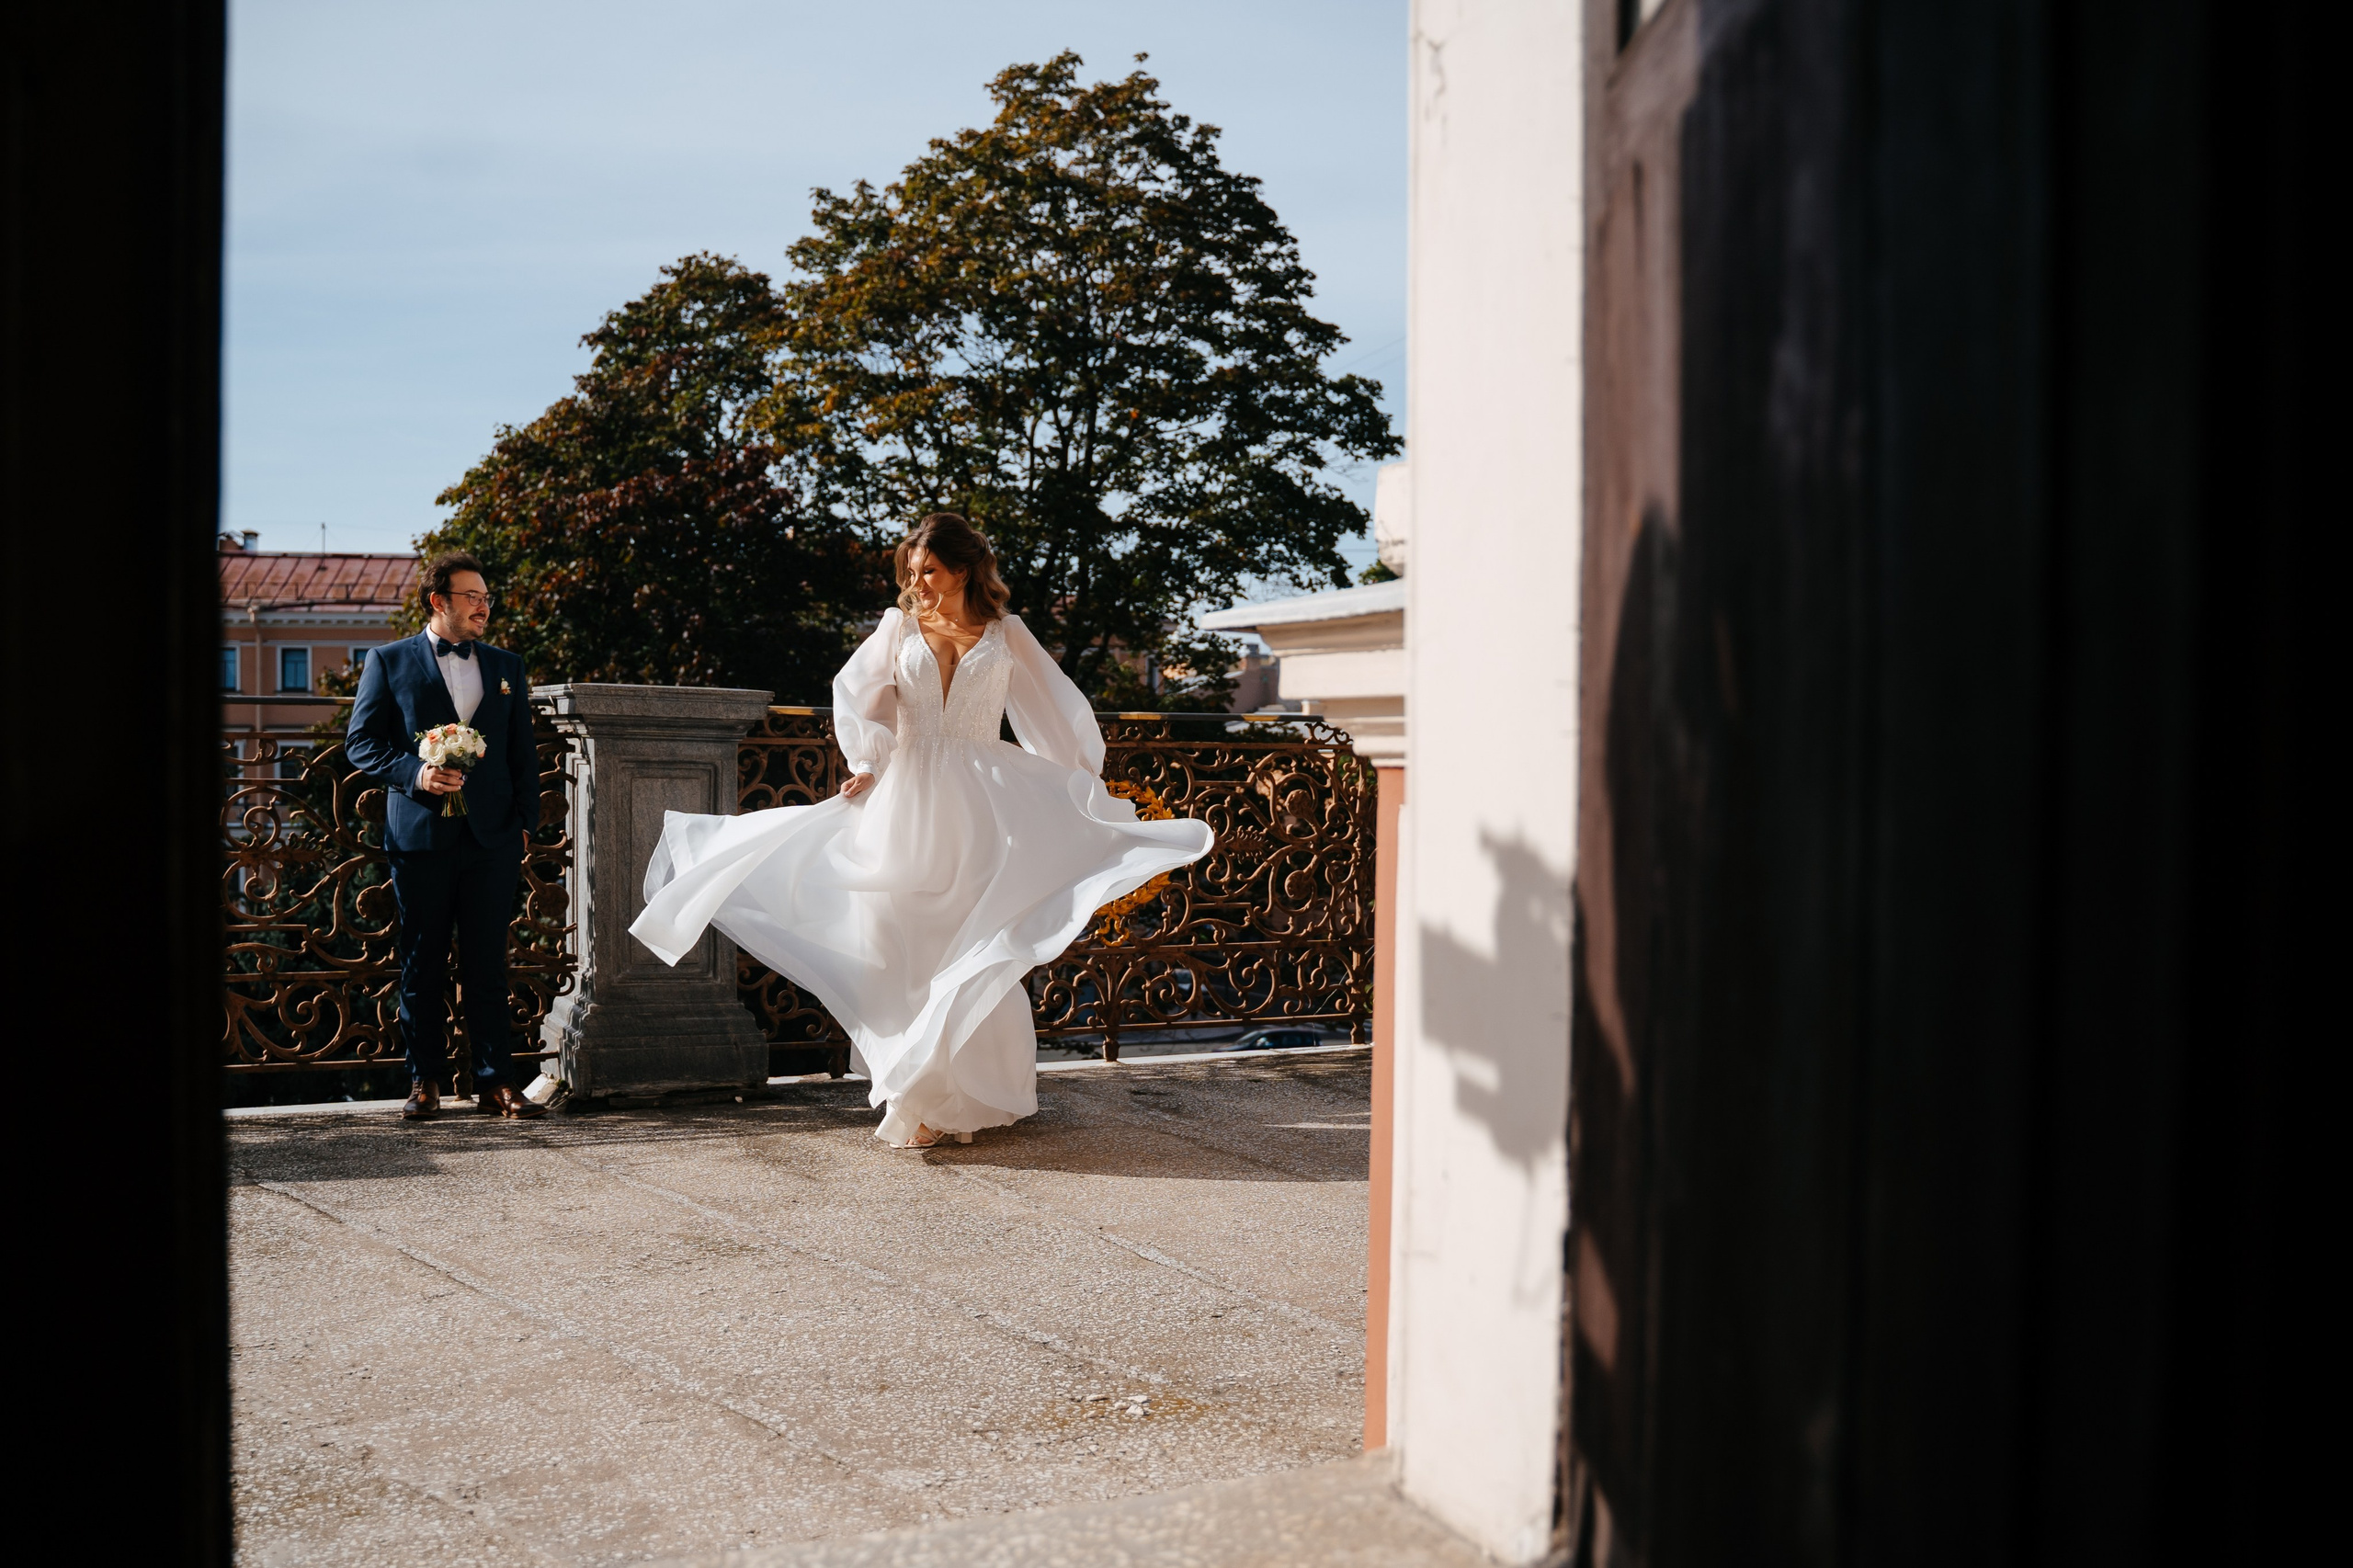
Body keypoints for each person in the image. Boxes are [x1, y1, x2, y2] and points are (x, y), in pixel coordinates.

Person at [631, 513, 1213, 1148]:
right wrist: (866, 763)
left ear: (963, 569)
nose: (918, 583)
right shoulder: (898, 626)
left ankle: (966, 1096)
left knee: (972, 946)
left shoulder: (1007, 634)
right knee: (898, 944)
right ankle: (917, 1096)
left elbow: (1054, 710)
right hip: (906, 798)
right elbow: (858, 696)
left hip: (982, 804)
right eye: (912, 571)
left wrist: (1077, 789)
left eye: (930, 570)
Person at [346, 551, 546, 1121]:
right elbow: (361, 742)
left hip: (492, 839)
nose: (485, 607)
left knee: (488, 961)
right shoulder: (388, 661)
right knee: (421, 960)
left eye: (486, 598)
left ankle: (496, 1082)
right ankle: (425, 1080)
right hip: (420, 835)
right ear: (439, 601)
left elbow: (522, 751)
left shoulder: (507, 666)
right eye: (472, 597)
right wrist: (417, 773)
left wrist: (525, 824)